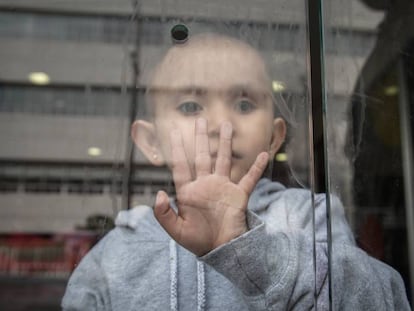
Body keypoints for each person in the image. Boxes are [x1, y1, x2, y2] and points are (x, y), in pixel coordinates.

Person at [62, 33, 411, 310]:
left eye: (244, 104)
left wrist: (250, 250)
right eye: (190, 106)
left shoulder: (309, 216)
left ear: (274, 138)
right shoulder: (120, 248)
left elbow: (381, 300)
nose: (220, 124)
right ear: (151, 142)